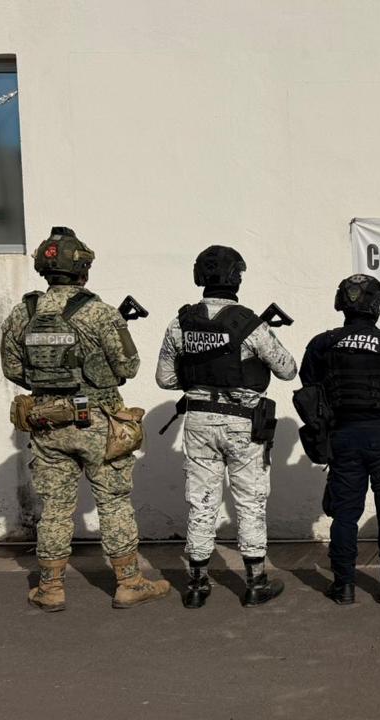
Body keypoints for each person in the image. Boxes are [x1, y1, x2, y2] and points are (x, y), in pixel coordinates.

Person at [0, 226, 170, 611]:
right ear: (83, 270)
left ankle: (50, 588)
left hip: (46, 423)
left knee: (55, 509)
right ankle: (129, 583)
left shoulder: (22, 313)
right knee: (113, 502)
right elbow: (128, 367)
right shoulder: (100, 313)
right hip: (99, 424)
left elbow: (13, 369)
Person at [156, 246, 298, 608]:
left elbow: (165, 379)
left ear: (199, 277)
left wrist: (200, 379)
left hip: (199, 423)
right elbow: (287, 369)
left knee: (201, 502)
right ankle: (255, 583)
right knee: (249, 501)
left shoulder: (180, 323)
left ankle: (197, 586)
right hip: (243, 424)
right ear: (236, 277)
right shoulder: (251, 324)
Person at [298, 274, 380, 605]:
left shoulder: (323, 342)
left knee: (344, 514)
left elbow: (309, 382)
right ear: (377, 305)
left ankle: (343, 585)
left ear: (341, 303)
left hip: (343, 436)